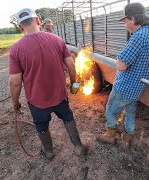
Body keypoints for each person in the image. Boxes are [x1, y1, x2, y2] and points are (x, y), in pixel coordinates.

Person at [9, 8, 88, 160]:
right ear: (38, 20)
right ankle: (78, 147)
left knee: (41, 126)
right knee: (67, 118)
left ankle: (48, 151)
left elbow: (15, 83)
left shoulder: (16, 49)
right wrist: (74, 85)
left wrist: (15, 102)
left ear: (20, 27)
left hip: (37, 101)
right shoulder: (57, 40)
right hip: (60, 96)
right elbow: (71, 65)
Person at [96, 3, 149, 148]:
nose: (125, 25)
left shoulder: (138, 37)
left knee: (111, 109)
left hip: (125, 86)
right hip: (139, 86)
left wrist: (121, 59)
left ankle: (110, 135)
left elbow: (121, 65)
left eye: (125, 22)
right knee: (130, 110)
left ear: (133, 19)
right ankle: (127, 137)